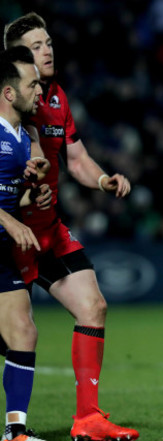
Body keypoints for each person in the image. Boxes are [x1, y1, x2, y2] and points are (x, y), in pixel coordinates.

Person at [3, 13, 139, 441]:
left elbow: (76, 159)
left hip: (46, 231)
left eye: (48, 43)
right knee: (16, 332)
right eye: (35, 46)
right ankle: (16, 427)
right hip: (9, 236)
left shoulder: (56, 97)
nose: (47, 50)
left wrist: (103, 179)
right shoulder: (12, 105)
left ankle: (88, 419)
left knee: (92, 305)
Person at [0, 44, 51, 441]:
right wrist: (8, 220)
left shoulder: (22, 138)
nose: (40, 90)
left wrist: (29, 199)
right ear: (8, 92)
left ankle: (15, 431)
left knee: (23, 331)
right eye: (32, 84)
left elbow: (7, 196)